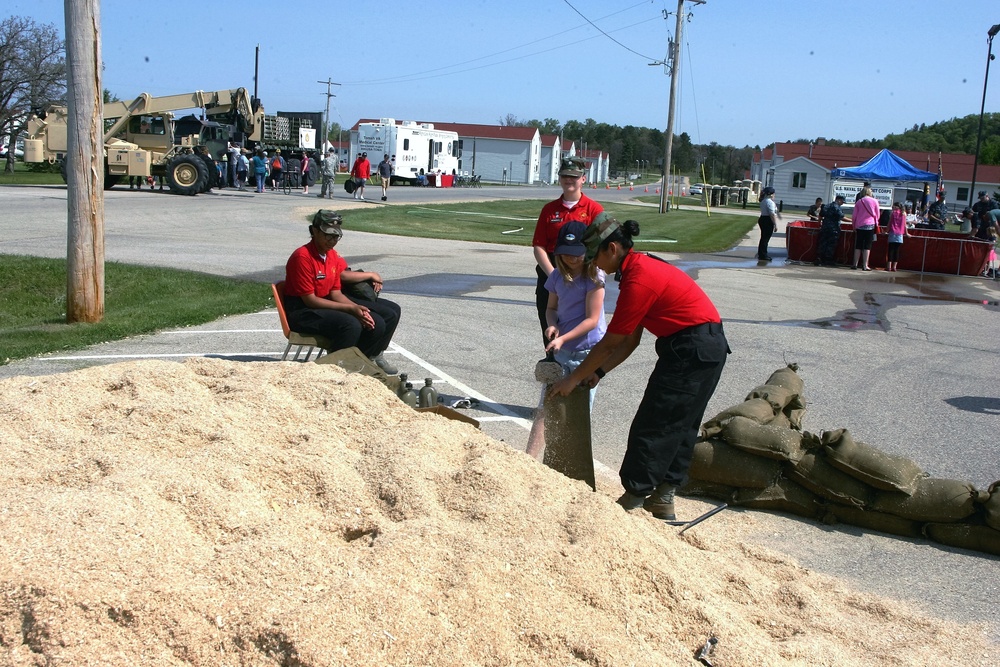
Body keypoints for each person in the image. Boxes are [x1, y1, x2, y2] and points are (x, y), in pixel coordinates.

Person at [550, 214, 730, 522]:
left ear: (614, 249)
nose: (593, 265)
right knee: (681, 424)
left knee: (655, 422)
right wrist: (599, 372)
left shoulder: (639, 279)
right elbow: (630, 340)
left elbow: (610, 342)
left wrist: (574, 379)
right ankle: (664, 497)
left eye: (595, 257)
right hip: (704, 348)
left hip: (691, 348)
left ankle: (633, 498)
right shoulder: (641, 268)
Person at [525, 221, 607, 461]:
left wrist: (564, 338)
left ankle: (573, 461)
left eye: (577, 254)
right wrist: (553, 324)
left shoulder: (595, 277)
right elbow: (551, 308)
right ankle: (529, 458)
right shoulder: (557, 276)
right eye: (566, 254)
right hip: (562, 352)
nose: (572, 259)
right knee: (546, 406)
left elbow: (592, 320)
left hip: (587, 352)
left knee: (578, 410)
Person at [283, 211, 400, 371]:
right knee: (350, 324)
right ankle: (335, 369)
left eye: (336, 236)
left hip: (322, 303)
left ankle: (361, 364)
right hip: (303, 311)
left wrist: (358, 309)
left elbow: (336, 293)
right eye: (328, 235)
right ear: (314, 231)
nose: (332, 241)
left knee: (374, 322)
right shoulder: (302, 257)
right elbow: (310, 300)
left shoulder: (330, 255)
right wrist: (351, 309)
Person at [530, 156, 603, 338]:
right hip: (551, 271)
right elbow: (539, 245)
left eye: (574, 176)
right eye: (564, 176)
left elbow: (601, 247)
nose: (569, 180)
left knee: (579, 323)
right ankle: (552, 361)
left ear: (583, 179)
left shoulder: (594, 209)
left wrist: (584, 274)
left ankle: (579, 363)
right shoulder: (549, 209)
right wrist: (554, 276)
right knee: (550, 324)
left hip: (582, 274)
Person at [815, 193, 849, 266]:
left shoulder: (827, 206)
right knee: (831, 245)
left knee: (822, 243)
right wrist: (852, 221)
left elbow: (820, 215)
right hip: (833, 229)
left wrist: (819, 222)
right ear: (839, 200)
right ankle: (828, 260)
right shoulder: (837, 207)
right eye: (842, 202)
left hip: (825, 228)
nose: (842, 204)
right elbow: (842, 217)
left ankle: (819, 259)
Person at [852, 186, 881, 271]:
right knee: (867, 246)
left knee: (858, 245)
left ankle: (855, 264)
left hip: (859, 225)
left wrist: (854, 226)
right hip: (870, 225)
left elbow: (854, 216)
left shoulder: (859, 202)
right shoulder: (875, 201)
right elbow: (877, 215)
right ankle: (865, 265)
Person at [757, 186, 780, 261]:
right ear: (771, 194)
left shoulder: (764, 201)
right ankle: (763, 255)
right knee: (765, 238)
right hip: (767, 220)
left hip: (762, 218)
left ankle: (761, 253)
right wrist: (775, 224)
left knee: (763, 237)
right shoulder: (770, 202)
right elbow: (772, 214)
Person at [886, 202, 909, 272]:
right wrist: (907, 233)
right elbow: (905, 225)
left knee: (891, 250)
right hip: (900, 234)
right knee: (897, 251)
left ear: (897, 207)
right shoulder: (904, 214)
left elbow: (889, 223)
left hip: (892, 232)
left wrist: (886, 231)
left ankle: (889, 266)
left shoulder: (893, 213)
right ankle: (894, 267)